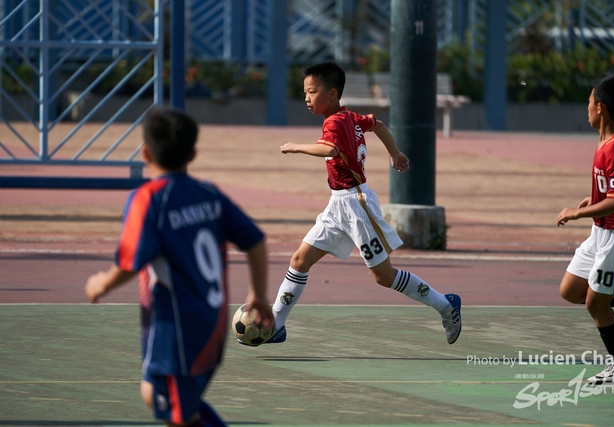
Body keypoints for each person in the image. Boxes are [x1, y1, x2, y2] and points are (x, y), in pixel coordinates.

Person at [85, 107, 274, 427]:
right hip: (211, 322)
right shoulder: (209, 194)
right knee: (159, 394)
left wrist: (102, 283)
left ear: (145, 152)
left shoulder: (149, 199)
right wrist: (258, 294)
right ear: (193, 153)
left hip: (177, 329)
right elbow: (255, 241)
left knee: (176, 413)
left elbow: (131, 263)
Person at [257, 61, 461, 346]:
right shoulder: (349, 117)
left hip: (356, 205)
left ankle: (445, 305)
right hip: (337, 205)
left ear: (331, 94)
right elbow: (377, 124)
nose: (306, 97)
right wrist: (395, 153)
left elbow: (330, 148)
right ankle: (277, 325)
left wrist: (297, 147)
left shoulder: (334, 122)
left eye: (312, 91)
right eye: (305, 92)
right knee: (299, 261)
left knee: (383, 276)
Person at [557, 74, 614, 384]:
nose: (587, 108)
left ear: (601, 108)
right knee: (571, 291)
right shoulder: (607, 142)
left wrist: (577, 213)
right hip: (601, 231)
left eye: (589, 102)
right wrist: (594, 198)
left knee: (595, 303)